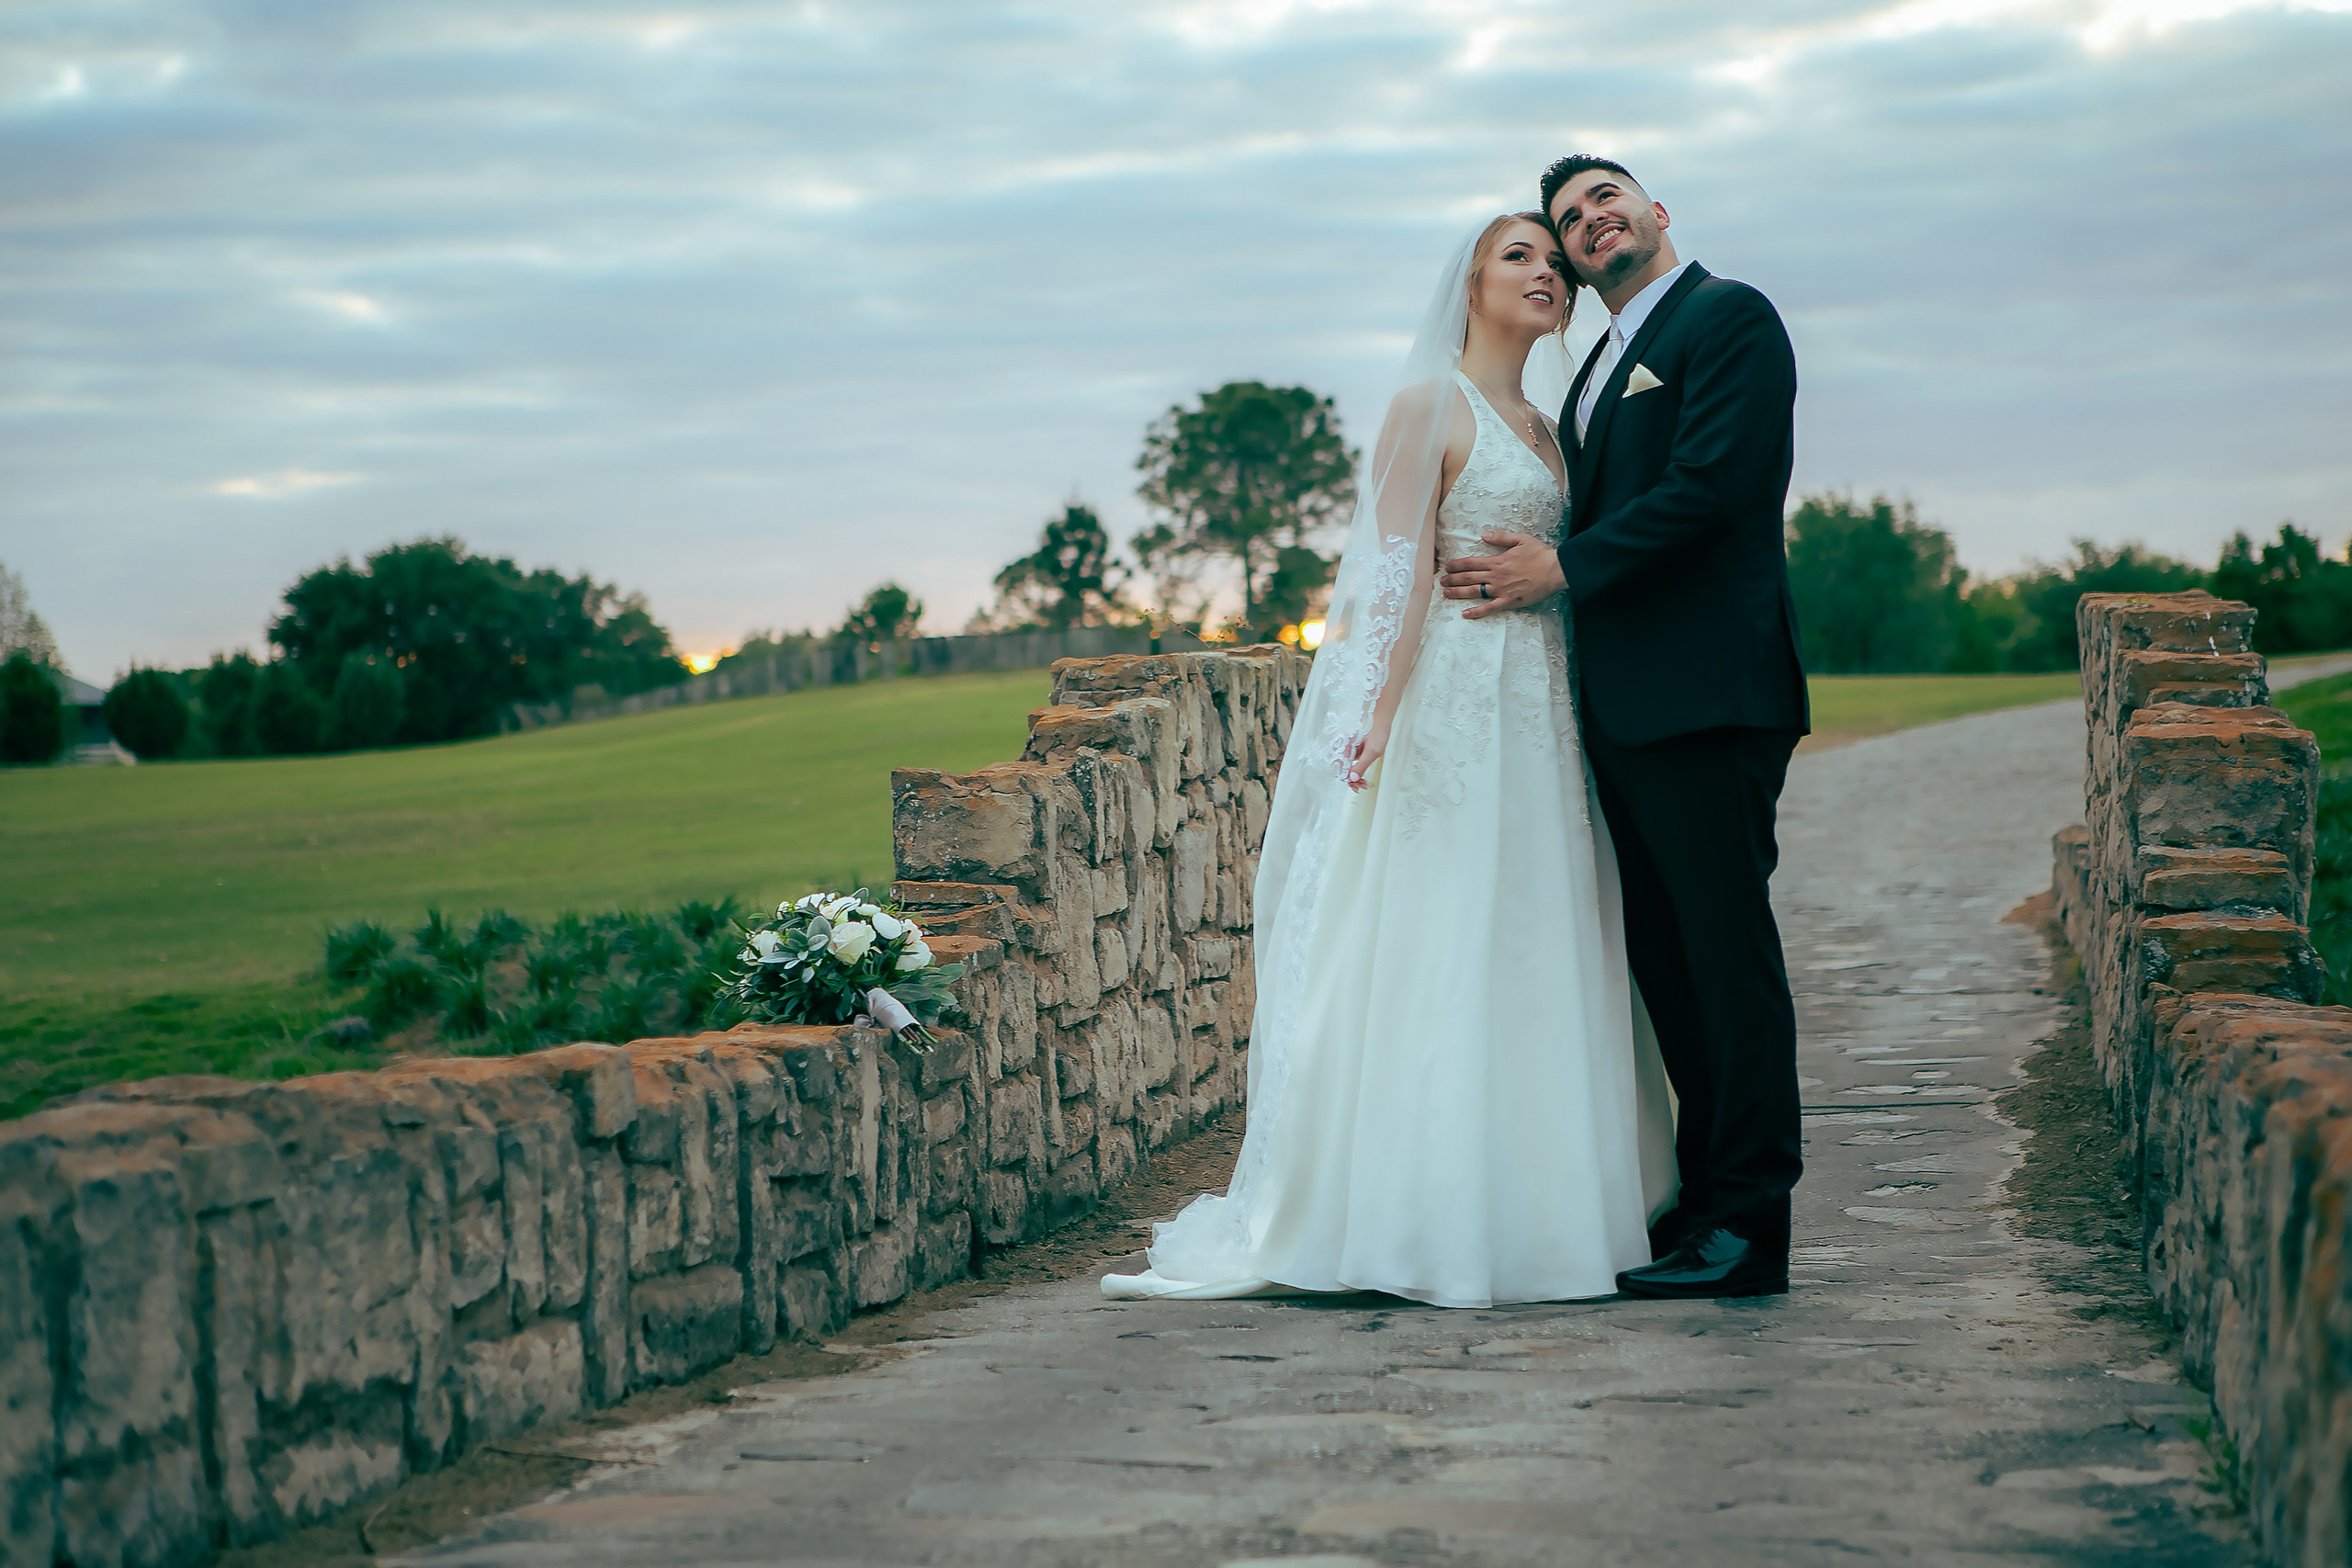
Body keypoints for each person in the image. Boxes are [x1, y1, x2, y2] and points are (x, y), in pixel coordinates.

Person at [1102, 212, 1678, 1309]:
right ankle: (1417, 1209)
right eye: (1520, 257)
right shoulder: (1430, 407)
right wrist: (1370, 711)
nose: (1545, 275)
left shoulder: (1552, 426)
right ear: (1467, 285)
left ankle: (1553, 1201)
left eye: (1554, 264)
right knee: (1444, 926)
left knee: (1542, 925)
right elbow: (1395, 574)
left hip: (1547, 704)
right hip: (1455, 700)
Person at [1437, 156, 1808, 1301]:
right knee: (1671, 968)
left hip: (1708, 698)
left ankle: (1750, 1225)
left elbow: (1715, 485)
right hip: (1626, 715)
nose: (1587, 226)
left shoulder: (1726, 317)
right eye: (1563, 223)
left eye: (1605, 201)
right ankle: (1702, 1207)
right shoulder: (1597, 365)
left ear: (1654, 213)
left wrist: (1565, 565)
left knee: (1724, 961)